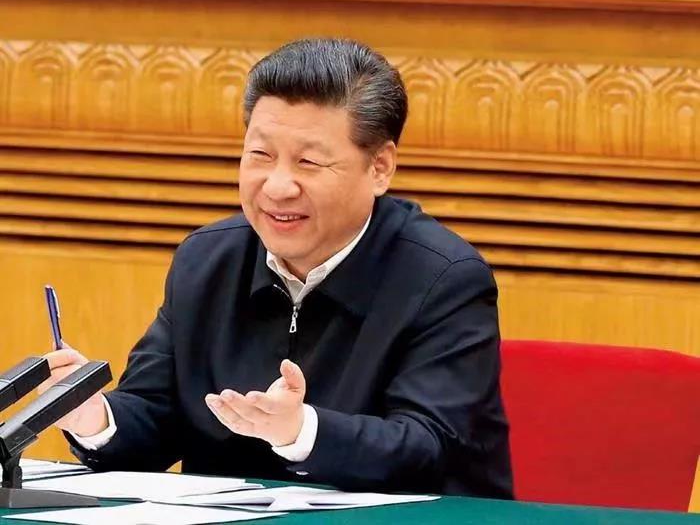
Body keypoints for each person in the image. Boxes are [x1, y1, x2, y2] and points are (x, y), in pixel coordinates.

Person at [42, 38, 513, 497]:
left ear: (379, 167)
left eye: (308, 162)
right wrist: (95, 418)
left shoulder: (443, 277)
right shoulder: (207, 260)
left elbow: (429, 448)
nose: (277, 186)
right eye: (261, 156)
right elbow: (156, 418)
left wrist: (301, 431)